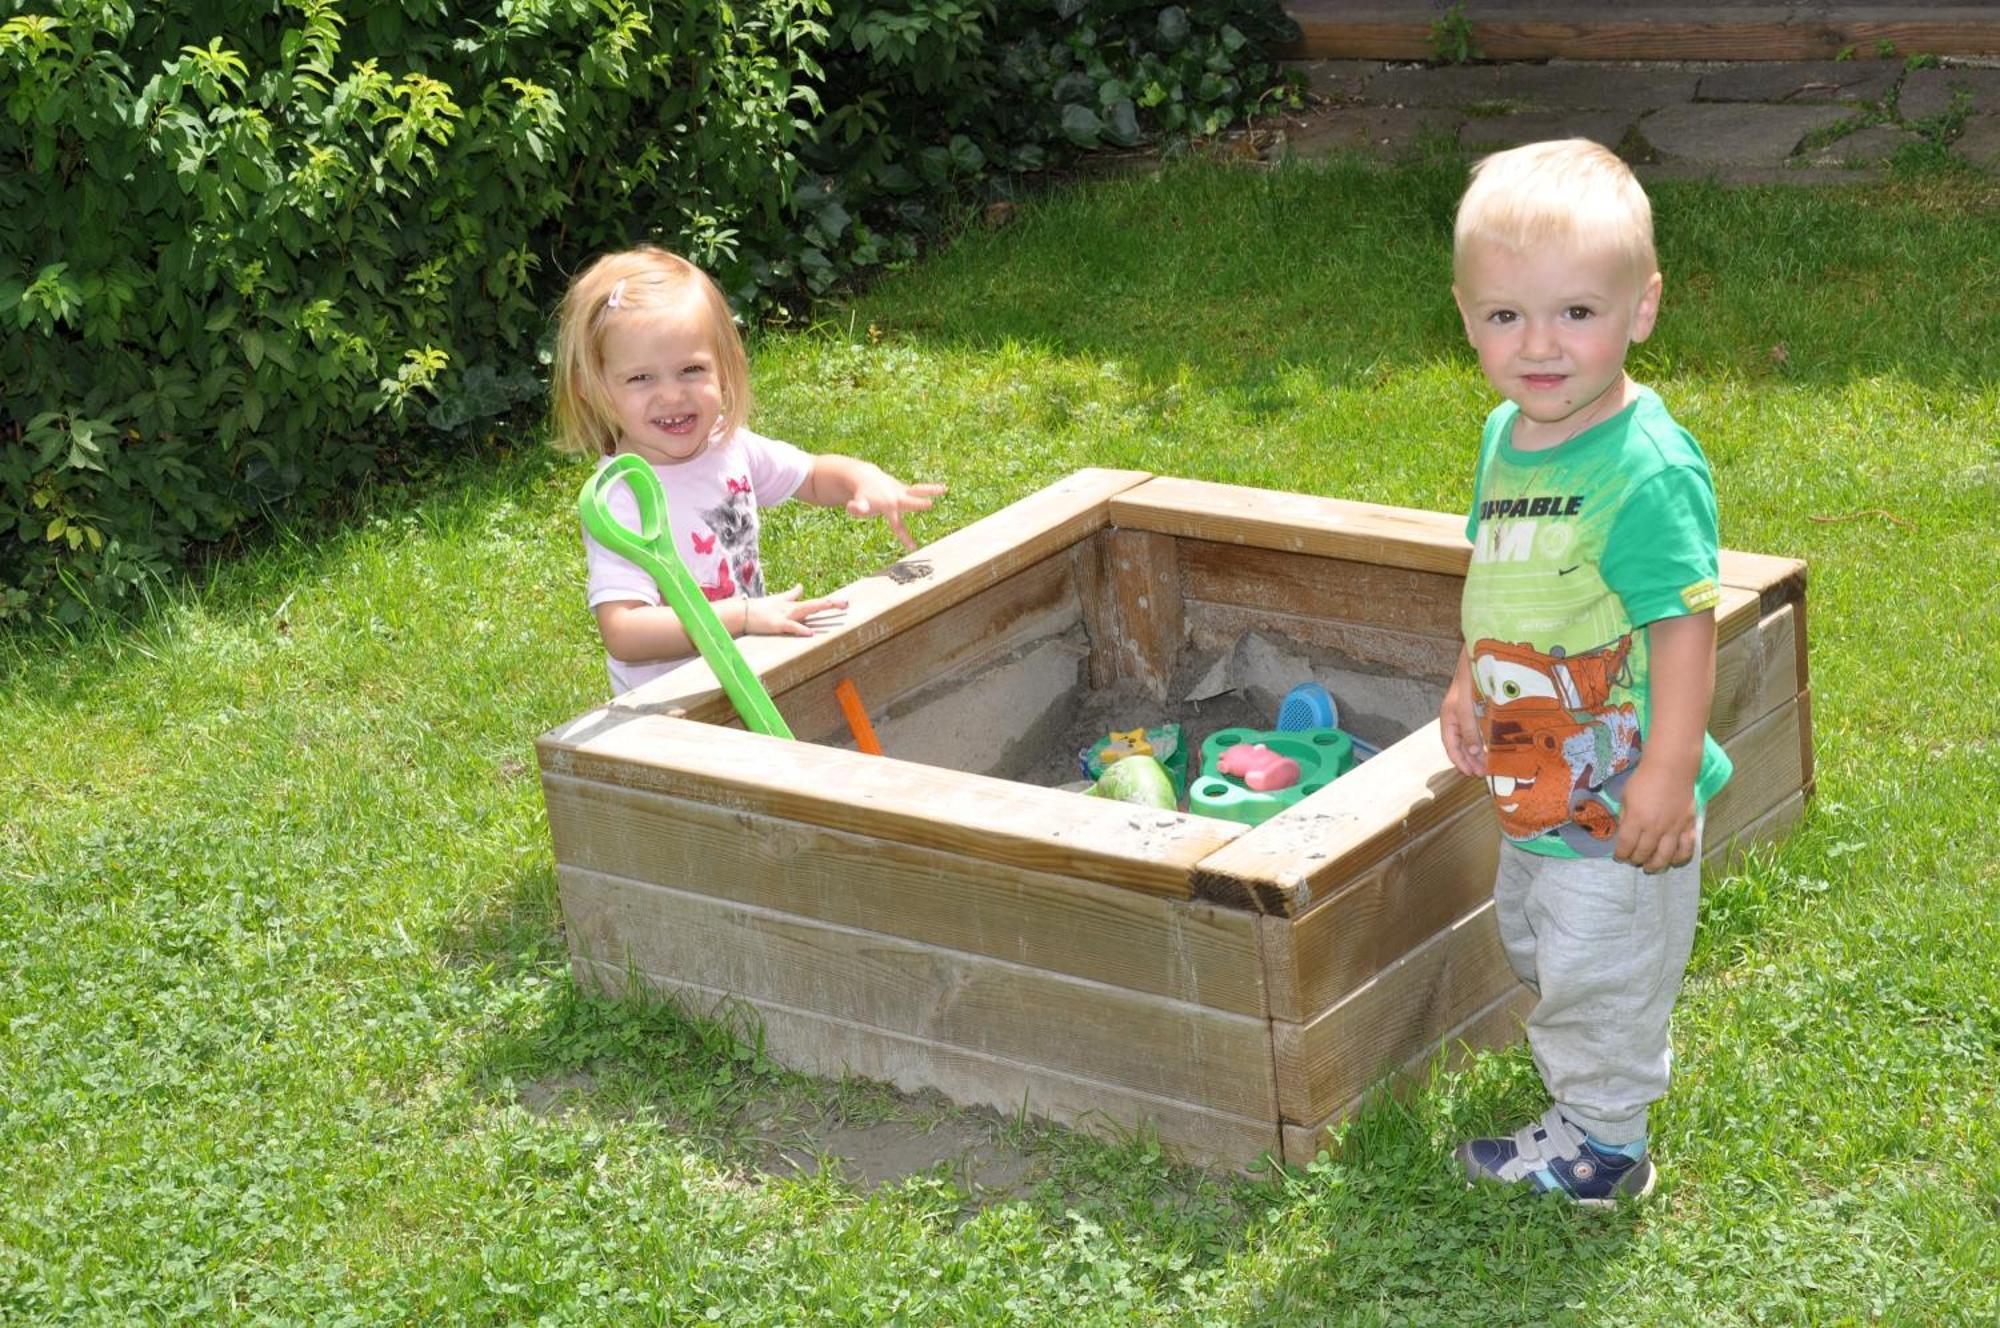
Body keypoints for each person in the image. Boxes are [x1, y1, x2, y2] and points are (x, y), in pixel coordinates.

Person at [1438, 140, 1732, 1204]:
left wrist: (1661, 773)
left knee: (1595, 958)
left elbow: (1681, 628)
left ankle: (1603, 1145)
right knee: (1536, 937)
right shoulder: (1504, 436)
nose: (1539, 346)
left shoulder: (1642, 470)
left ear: (1640, 308)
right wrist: (1466, 677)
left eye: (1575, 312)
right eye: (1503, 316)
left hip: (1615, 794)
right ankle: (1599, 1058)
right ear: (1464, 316)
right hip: (1532, 771)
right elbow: (1500, 574)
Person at [549, 246, 944, 696]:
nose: (672, 396)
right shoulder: (621, 496)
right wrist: (743, 616)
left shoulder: (728, 446)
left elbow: (812, 475)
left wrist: (861, 478)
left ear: (724, 365)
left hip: (743, 682)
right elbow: (624, 632)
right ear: (592, 388)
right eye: (642, 378)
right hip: (671, 710)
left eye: (691, 369)